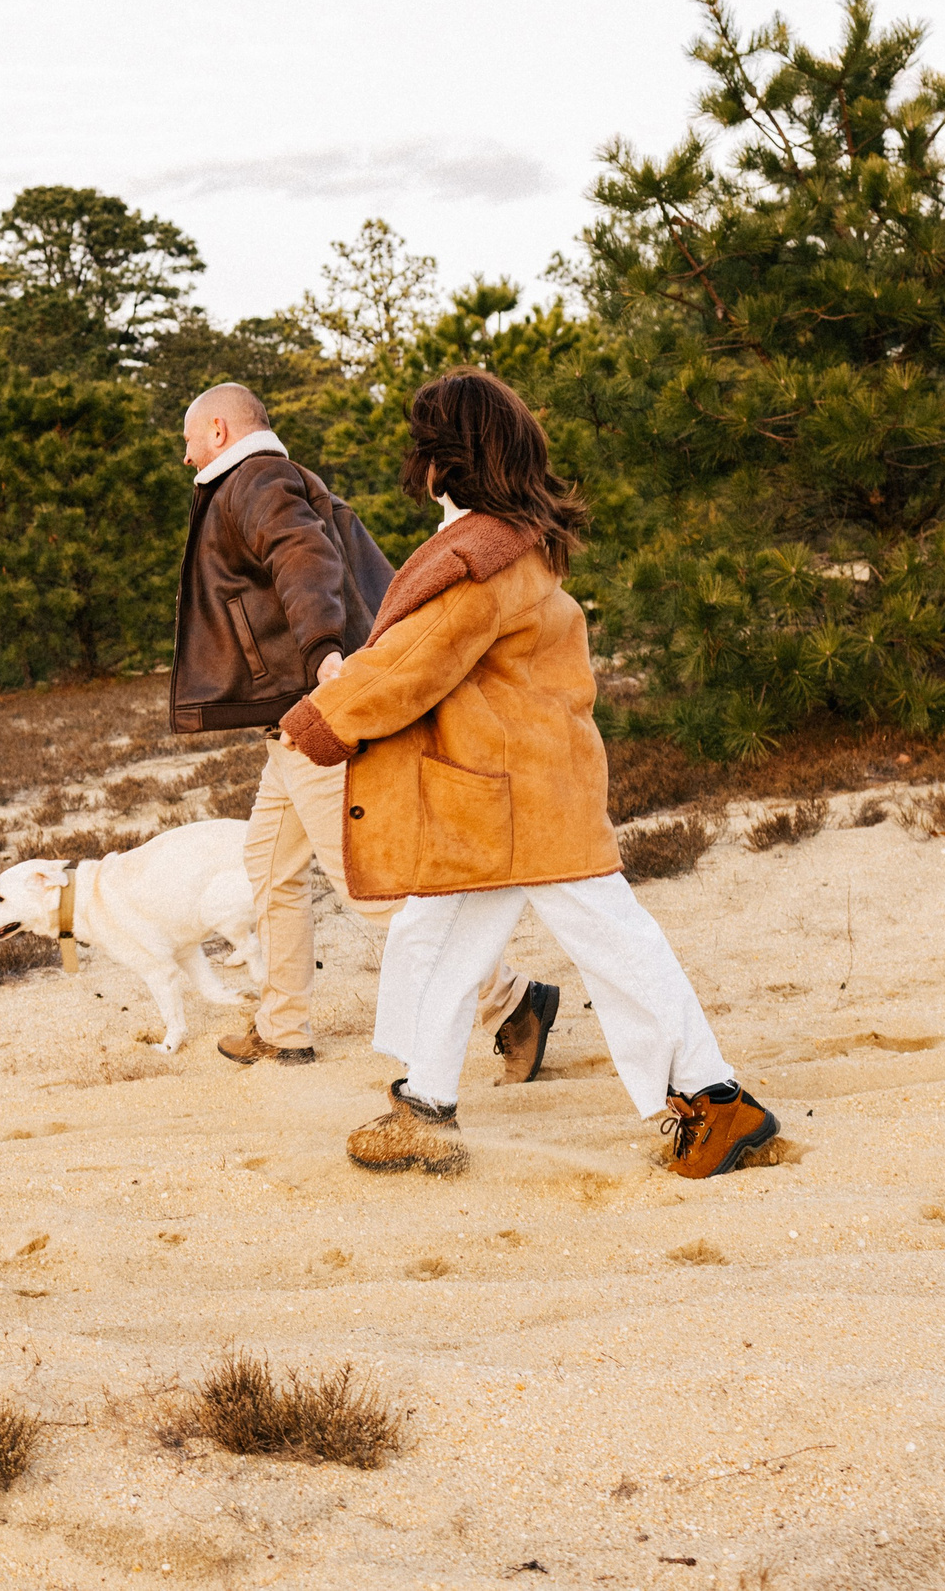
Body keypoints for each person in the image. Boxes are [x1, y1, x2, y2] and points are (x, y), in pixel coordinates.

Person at [277, 368, 778, 1179]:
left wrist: (319, 720)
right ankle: (425, 1109)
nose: (415, 458)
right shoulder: (509, 543)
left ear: (446, 460)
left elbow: (412, 662)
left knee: (612, 944)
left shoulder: (479, 560)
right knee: (434, 935)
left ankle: (716, 1104)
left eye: (422, 445)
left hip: (522, 797)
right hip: (501, 792)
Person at [169, 382, 561, 1073]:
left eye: (190, 438)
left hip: (314, 711)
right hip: (287, 720)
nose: (185, 453)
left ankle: (511, 1001)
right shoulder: (269, 477)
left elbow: (304, 556)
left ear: (222, 431)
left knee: (369, 885)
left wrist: (322, 650)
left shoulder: (254, 479)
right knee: (269, 867)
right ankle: (283, 1021)